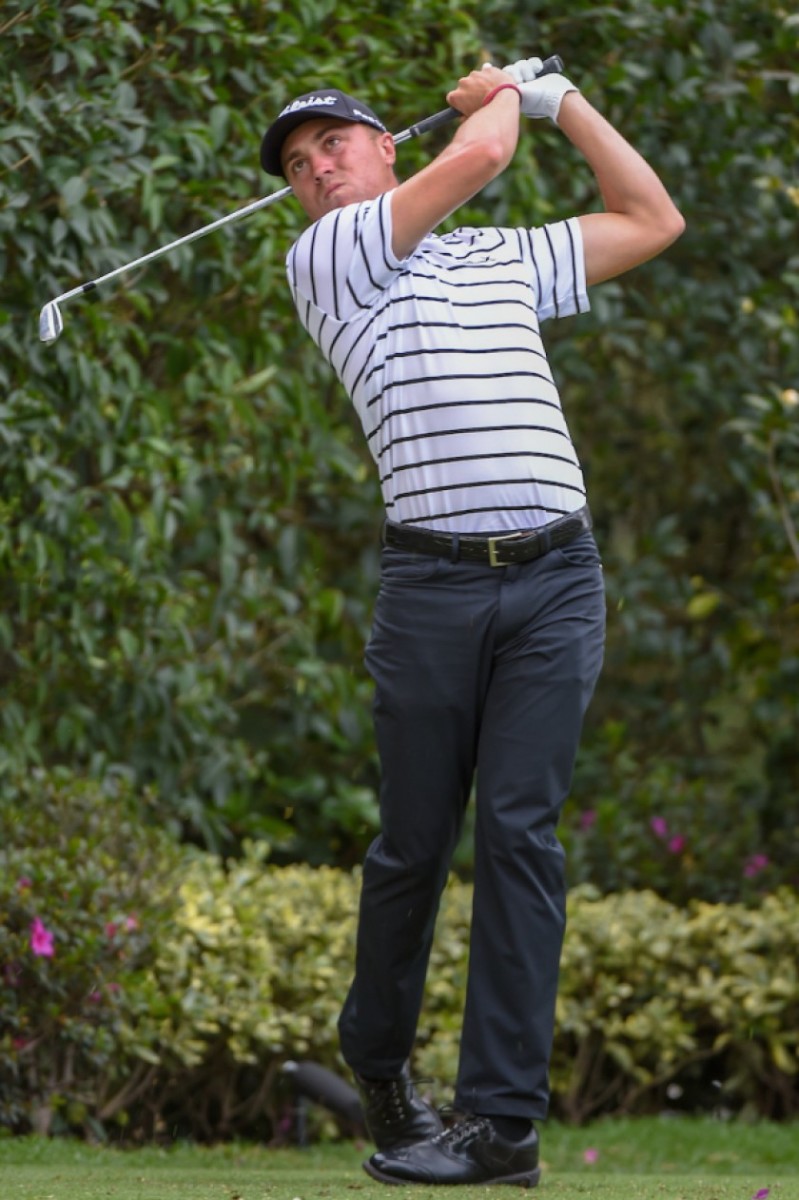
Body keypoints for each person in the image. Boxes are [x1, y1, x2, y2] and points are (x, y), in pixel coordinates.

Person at [259, 58, 684, 1187]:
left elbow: (652, 218)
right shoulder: (330, 257)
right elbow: (486, 152)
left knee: (519, 838)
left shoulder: (496, 257)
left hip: (556, 580)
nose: (317, 170)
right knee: (412, 847)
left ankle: (500, 1128)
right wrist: (503, 95)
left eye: (333, 144)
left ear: (384, 147)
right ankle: (381, 1069)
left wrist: (564, 102)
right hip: (431, 593)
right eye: (298, 166)